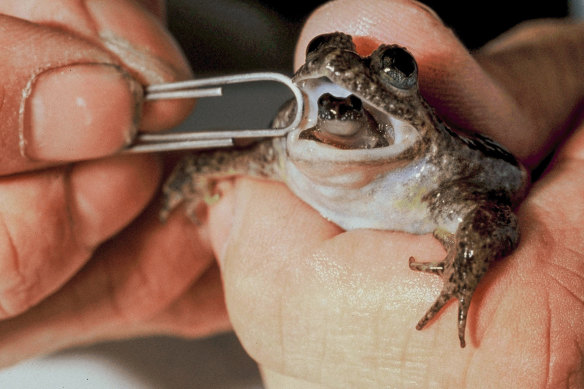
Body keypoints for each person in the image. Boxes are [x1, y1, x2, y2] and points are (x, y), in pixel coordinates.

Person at [0, 0, 582, 387]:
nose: (336, 113)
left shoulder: (445, 186)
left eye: (392, 72)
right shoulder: (278, 152)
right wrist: (183, 185)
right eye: (325, 100)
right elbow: (210, 165)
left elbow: (497, 223)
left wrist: (460, 280)